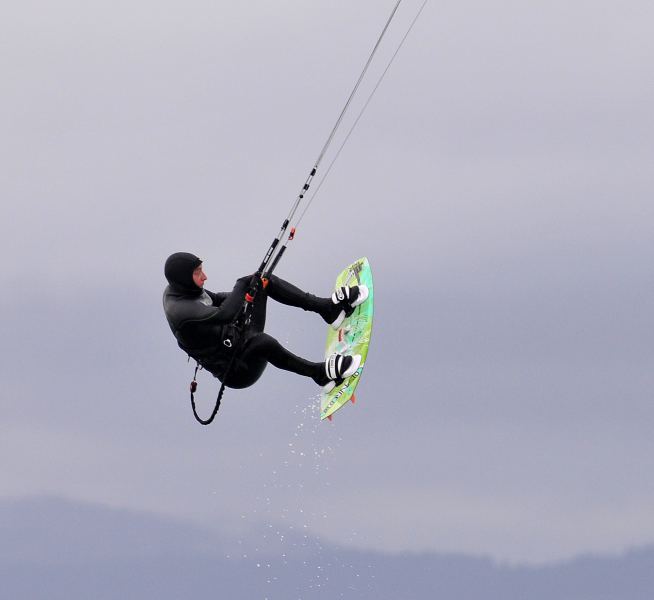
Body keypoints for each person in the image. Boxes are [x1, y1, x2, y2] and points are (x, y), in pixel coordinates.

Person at [162, 252, 368, 391]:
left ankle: (328, 309)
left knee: (262, 281)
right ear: (184, 278)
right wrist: (241, 285)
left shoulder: (186, 288)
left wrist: (249, 288)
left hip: (238, 335)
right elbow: (224, 314)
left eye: (201, 270)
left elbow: (217, 299)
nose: (205, 276)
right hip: (238, 369)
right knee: (263, 342)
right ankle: (320, 373)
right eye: (198, 273)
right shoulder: (182, 311)